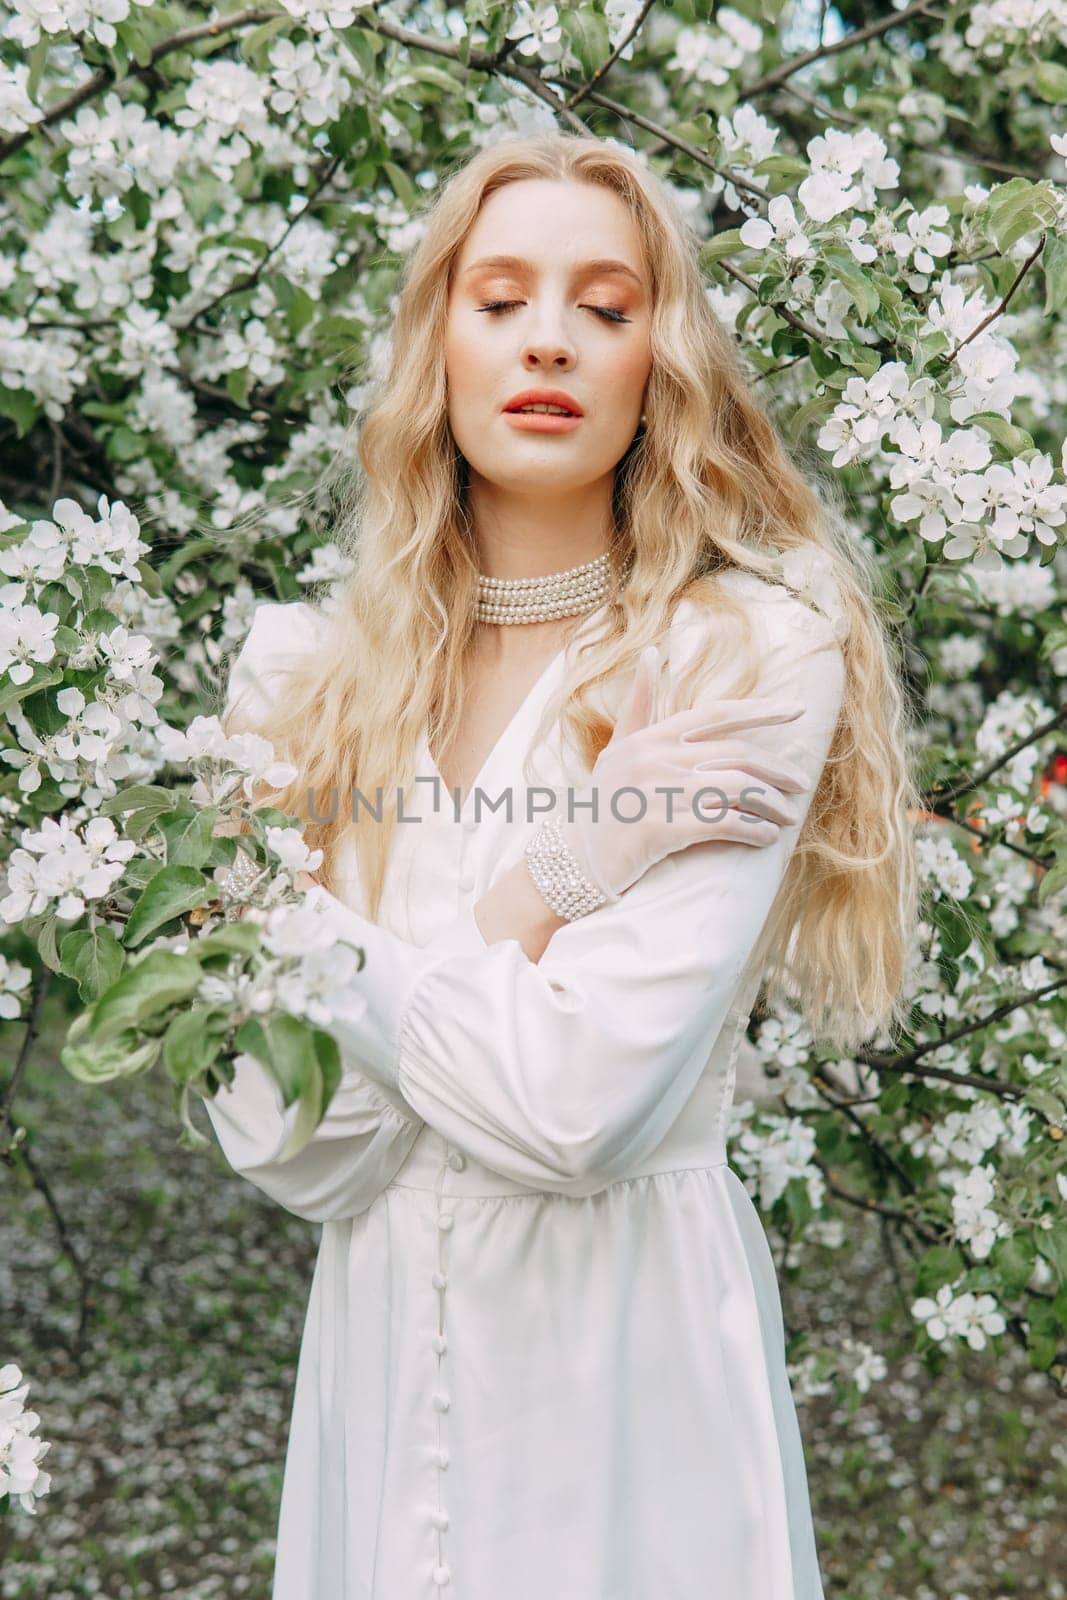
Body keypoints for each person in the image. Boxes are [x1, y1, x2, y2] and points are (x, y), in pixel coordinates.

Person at [201, 132, 919, 1599]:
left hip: (629, 1376)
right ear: (436, 344)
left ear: (664, 360)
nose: (549, 340)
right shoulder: (301, 683)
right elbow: (287, 1141)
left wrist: (316, 941)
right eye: (500, 298)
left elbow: (579, 1105)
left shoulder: (741, 654)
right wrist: (559, 880)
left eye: (606, 305)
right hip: (383, 1367)